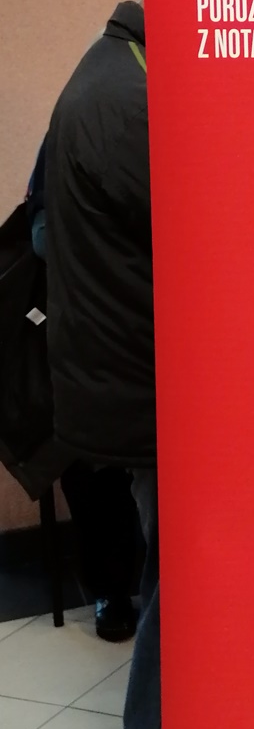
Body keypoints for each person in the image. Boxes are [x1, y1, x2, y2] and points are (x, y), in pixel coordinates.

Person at [44, 0, 161, 729]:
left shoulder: (105, 73)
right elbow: (195, 227)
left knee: (172, 577)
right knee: (184, 588)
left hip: (115, 379)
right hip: (141, 387)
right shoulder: (128, 98)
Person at [27, 138, 142, 642]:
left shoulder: (170, 129)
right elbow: (41, 238)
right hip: (90, 327)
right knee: (92, 464)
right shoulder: (72, 134)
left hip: (154, 329)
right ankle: (110, 588)